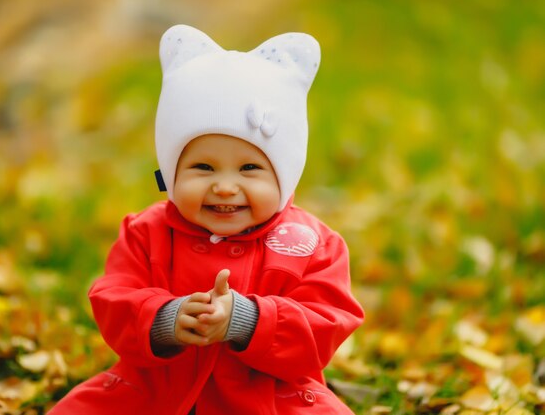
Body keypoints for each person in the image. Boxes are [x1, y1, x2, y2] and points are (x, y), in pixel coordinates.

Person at [48, 24, 364, 415]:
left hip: (270, 398)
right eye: (203, 167)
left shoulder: (313, 245)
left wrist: (248, 321)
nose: (225, 187)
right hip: (152, 392)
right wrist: (165, 319)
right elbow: (114, 298)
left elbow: (326, 324)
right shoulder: (146, 232)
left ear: (284, 176)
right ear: (171, 172)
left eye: (249, 167)